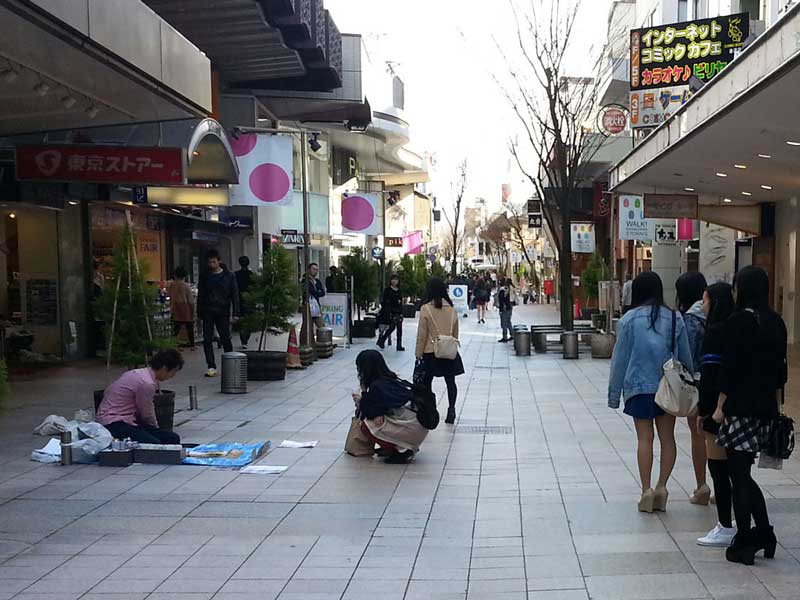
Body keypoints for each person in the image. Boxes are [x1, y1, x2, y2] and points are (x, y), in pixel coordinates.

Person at [713, 266, 786, 565]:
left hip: (740, 409)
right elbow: (781, 372)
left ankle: (745, 539)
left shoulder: (738, 320)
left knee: (738, 473)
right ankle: (765, 533)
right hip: (766, 407)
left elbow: (729, 369)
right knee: (743, 473)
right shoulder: (776, 321)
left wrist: (720, 407)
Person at [608, 271, 694, 513]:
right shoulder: (675, 318)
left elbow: (620, 359)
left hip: (639, 387)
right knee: (668, 439)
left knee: (644, 439)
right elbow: (685, 357)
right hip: (669, 387)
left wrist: (614, 394)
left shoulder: (628, 320)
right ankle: (662, 487)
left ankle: (646, 490)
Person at [696, 283, 737, 547]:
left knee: (718, 467)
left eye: (705, 300)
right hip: (741, 406)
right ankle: (739, 521)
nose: (703, 304)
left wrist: (704, 412)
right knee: (737, 469)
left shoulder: (714, 333)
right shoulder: (739, 329)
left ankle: (724, 524)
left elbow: (710, 376)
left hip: (717, 410)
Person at [352, 350, 428, 464]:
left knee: (367, 426)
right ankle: (395, 447)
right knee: (377, 419)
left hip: (411, 429)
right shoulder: (390, 379)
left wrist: (362, 396)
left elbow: (369, 412)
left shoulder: (377, 386)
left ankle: (399, 450)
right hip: (418, 425)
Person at [96, 349, 184, 444]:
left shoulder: (138, 373)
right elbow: (147, 414)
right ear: (164, 368)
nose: (172, 376)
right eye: (173, 372)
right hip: (113, 422)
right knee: (154, 444)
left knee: (172, 438)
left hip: (127, 419)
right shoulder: (146, 383)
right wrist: (155, 428)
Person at [676, 271, 711, 505]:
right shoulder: (718, 311)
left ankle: (702, 486)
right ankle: (723, 485)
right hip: (721, 381)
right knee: (718, 436)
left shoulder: (690, 318)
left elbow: (687, 354)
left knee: (698, 436)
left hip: (699, 383)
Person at [416, 277, 464, 425]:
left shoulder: (426, 309)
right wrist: (452, 345)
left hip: (431, 351)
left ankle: (431, 410)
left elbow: (422, 334)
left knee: (427, 382)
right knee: (450, 381)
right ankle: (451, 409)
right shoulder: (451, 308)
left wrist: (418, 353)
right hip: (448, 350)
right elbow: (456, 332)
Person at [197, 249, 240, 377]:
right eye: (209, 262)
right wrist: (199, 312)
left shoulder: (229, 276)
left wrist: (236, 312)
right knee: (207, 339)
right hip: (208, 310)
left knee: (225, 337)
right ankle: (211, 365)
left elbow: (235, 294)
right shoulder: (204, 276)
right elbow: (201, 295)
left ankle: (230, 362)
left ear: (219, 261)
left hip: (223, 310)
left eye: (213, 262)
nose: (211, 264)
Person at [168, 267, 195, 350]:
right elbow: (190, 299)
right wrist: (193, 309)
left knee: (176, 327)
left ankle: (173, 344)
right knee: (189, 327)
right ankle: (192, 344)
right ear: (184, 276)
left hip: (175, 307)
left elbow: (169, 296)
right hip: (185, 307)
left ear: (175, 275)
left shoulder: (172, 285)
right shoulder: (186, 286)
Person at [300, 262, 326, 346]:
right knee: (307, 326)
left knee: (321, 325)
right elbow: (311, 291)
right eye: (314, 269)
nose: (316, 271)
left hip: (316, 306)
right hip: (307, 305)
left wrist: (316, 292)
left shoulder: (317, 281)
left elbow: (322, 292)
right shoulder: (305, 280)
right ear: (309, 270)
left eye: (317, 270)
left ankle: (322, 343)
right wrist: (316, 291)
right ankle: (306, 343)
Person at [377, 274, 404, 351]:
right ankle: (382, 340)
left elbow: (400, 301)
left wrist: (401, 312)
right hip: (390, 311)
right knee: (392, 327)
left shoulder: (399, 290)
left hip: (398, 311)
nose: (394, 281)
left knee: (399, 328)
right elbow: (385, 301)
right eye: (393, 279)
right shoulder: (387, 290)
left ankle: (398, 345)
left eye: (396, 279)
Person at [235, 256, 253, 350]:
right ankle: (245, 339)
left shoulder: (236, 275)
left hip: (239, 300)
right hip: (249, 300)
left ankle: (242, 339)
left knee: (241, 320)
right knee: (248, 320)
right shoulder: (251, 275)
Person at [496, 277, 514, 343]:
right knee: (508, 322)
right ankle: (512, 335)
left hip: (504, 309)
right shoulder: (509, 289)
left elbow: (501, 301)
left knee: (504, 323)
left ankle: (505, 337)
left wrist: (500, 310)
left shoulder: (502, 290)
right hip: (510, 307)